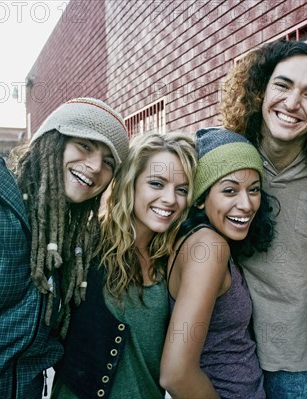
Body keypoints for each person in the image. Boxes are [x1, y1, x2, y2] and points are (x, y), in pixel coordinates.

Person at [0, 97, 129, 398]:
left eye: (109, 162)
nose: (96, 166)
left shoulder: (71, 246)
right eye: (85, 146)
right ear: (51, 141)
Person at [219, 39, 307, 397]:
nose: (292, 103)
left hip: (294, 359)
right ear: (260, 89)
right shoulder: (224, 156)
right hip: (222, 349)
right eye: (282, 85)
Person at [50, 132, 197, 399]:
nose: (170, 199)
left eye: (182, 190)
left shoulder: (176, 258)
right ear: (131, 183)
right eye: (156, 183)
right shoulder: (85, 247)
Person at [160, 127, 276, 399]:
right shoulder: (209, 248)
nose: (246, 204)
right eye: (229, 190)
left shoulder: (197, 240)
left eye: (254, 189)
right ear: (201, 198)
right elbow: (175, 374)